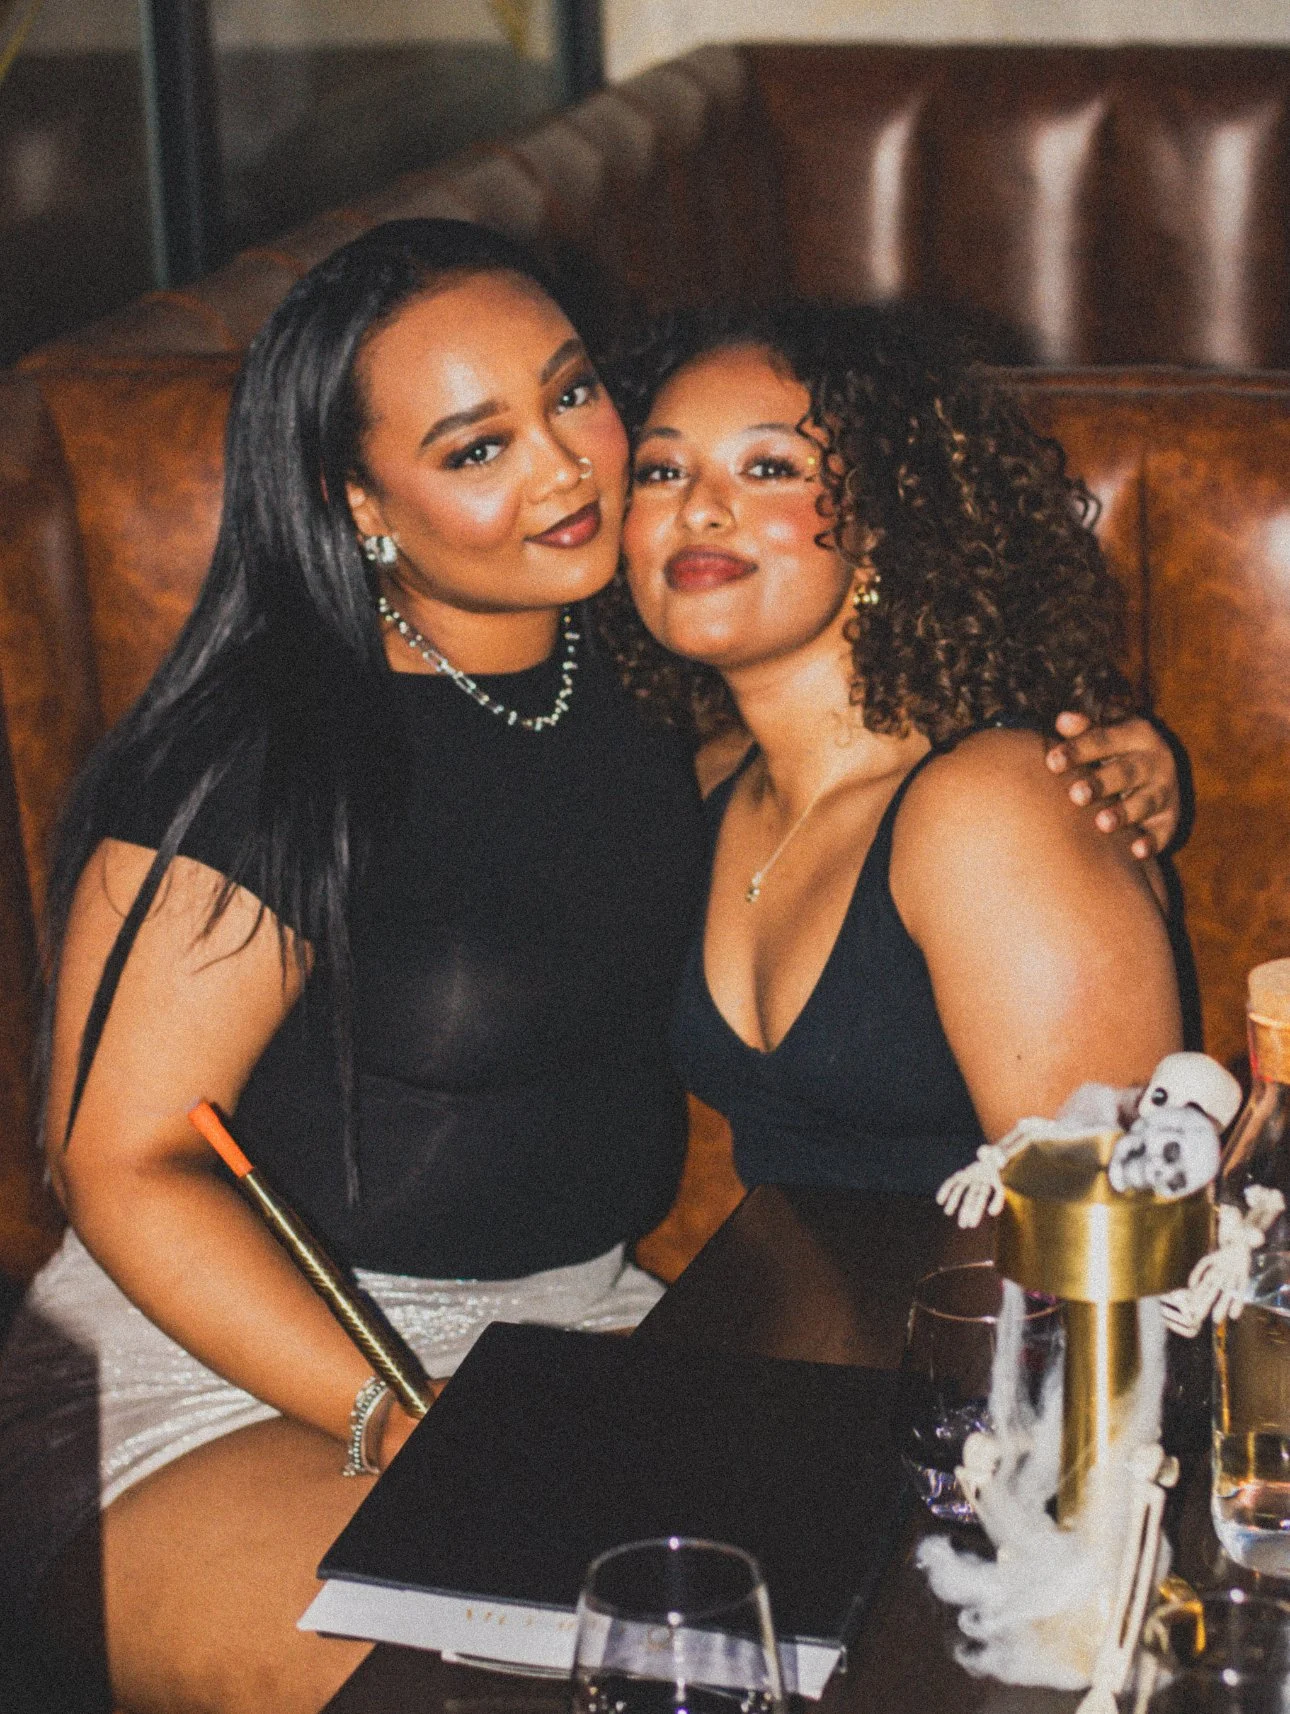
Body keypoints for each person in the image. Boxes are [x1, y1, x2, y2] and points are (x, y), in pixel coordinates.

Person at [0, 228, 1178, 1714]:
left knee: (768, 1662)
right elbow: (123, 1156)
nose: (565, 471)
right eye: (475, 445)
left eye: (571, 398)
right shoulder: (265, 752)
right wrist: (395, 1412)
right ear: (359, 504)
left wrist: (1119, 754)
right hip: (218, 1379)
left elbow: (872, 744)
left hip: (580, 1342)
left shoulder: (636, 682)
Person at [603, 301, 1184, 1195]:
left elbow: (1116, 1229)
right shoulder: (707, 782)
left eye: (769, 467)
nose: (700, 509)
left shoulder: (992, 809)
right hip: (768, 1330)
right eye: (660, 469)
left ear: (880, 522)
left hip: (998, 1332)